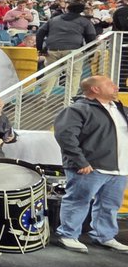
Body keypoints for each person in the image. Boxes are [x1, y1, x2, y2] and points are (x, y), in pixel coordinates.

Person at [53, 75, 128, 253]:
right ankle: (68, 235)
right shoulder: (78, 109)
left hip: (119, 168)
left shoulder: (120, 109)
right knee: (78, 200)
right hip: (89, 167)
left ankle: (105, 236)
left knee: (110, 205)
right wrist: (80, 161)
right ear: (95, 89)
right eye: (110, 84)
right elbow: (65, 136)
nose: (116, 86)